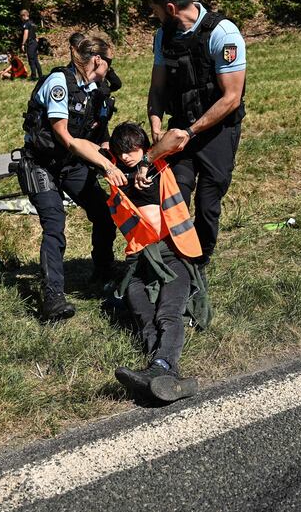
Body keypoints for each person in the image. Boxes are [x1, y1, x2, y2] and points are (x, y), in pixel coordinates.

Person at [138, 0, 247, 280]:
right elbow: (157, 87)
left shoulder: (222, 34)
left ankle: (201, 258)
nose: (156, 16)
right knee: (175, 192)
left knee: (209, 199)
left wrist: (190, 132)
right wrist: (157, 126)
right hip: (179, 125)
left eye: (157, 10)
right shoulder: (164, 35)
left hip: (217, 130)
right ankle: (176, 257)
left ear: (171, 7)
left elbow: (231, 98)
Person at [20, 37, 127, 321]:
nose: (111, 69)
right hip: (42, 164)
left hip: (71, 164)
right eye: (109, 62)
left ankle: (103, 268)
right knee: (55, 224)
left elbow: (98, 133)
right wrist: (105, 165)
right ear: (97, 61)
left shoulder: (95, 91)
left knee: (104, 213)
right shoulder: (59, 84)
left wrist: (113, 156)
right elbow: (66, 138)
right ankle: (53, 296)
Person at [104, 122, 203, 403]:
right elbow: (83, 145)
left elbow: (177, 135)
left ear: (144, 147)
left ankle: (161, 368)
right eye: (120, 152)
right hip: (138, 263)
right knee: (144, 319)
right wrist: (105, 162)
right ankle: (160, 373)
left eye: (132, 150)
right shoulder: (116, 172)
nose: (126, 157)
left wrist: (146, 161)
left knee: (167, 315)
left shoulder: (158, 164)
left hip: (173, 255)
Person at [20, 9, 43, 81]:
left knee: (31, 60)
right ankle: (40, 76)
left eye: (21, 17)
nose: (21, 19)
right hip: (35, 43)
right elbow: (35, 33)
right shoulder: (32, 23)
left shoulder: (26, 24)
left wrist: (23, 44)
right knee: (36, 60)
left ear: (23, 16)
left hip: (30, 43)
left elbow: (26, 34)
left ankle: (33, 77)